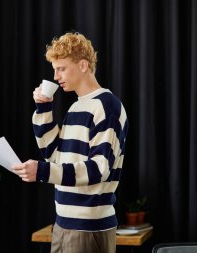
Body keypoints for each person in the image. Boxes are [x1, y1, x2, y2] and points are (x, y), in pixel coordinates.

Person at [12, 32, 128, 253]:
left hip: (88, 227)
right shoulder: (76, 107)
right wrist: (44, 108)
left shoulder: (107, 106)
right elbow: (53, 155)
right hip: (63, 223)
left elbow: (98, 169)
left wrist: (43, 172)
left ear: (83, 65)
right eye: (55, 69)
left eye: (61, 68)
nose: (56, 76)